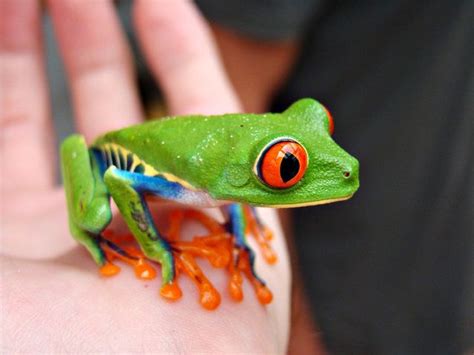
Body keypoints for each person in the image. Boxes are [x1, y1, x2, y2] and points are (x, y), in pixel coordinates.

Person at [2, 1, 472, 354]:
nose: (346, 163)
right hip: (110, 159)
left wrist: (239, 228)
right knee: (99, 212)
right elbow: (127, 184)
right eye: (287, 167)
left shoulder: (226, 183)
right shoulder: (201, 182)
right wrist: (156, 248)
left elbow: (235, 194)